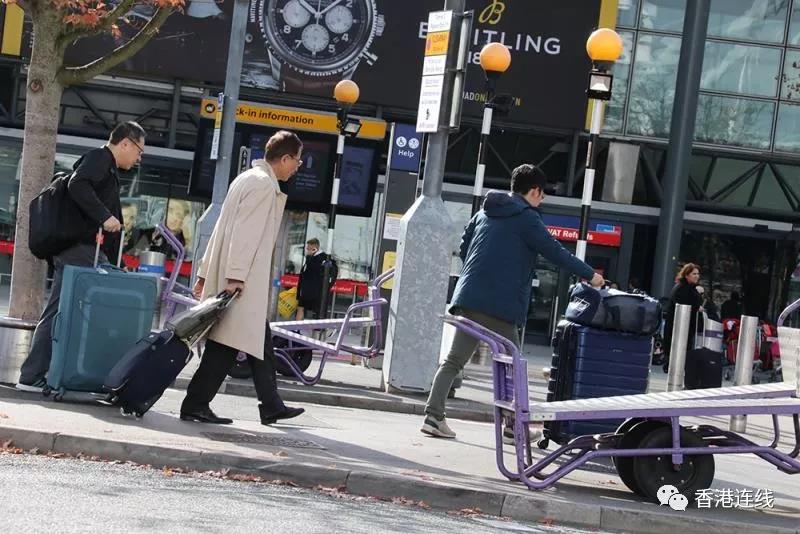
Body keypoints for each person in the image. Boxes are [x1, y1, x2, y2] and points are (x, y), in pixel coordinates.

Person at [421, 164, 604, 440]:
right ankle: (513, 427)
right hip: (500, 305)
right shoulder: (526, 218)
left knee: (454, 360)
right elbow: (554, 252)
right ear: (534, 191)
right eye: (542, 195)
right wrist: (591, 275)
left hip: (468, 296)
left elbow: (463, 245)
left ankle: (433, 417)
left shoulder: (485, 212)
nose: (541, 201)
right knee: (513, 363)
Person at [180, 130, 305, 425]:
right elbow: (244, 236)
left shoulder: (246, 179)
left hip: (236, 280)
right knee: (224, 348)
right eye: (297, 161)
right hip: (241, 283)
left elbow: (222, 230)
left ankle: (271, 405)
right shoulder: (263, 186)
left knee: (257, 342)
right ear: (284, 158)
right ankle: (195, 404)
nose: (297, 166)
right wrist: (236, 276)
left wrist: (202, 272)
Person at [16, 121, 145, 391]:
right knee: (63, 312)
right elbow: (78, 184)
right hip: (79, 251)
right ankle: (35, 375)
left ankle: (48, 373)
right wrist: (105, 216)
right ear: (126, 143)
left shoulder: (106, 166)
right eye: (139, 151)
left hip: (83, 251)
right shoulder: (100, 158)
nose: (139, 157)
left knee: (63, 311)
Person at [662, 263, 704, 373]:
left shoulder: (688, 288)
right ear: (687, 275)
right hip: (679, 328)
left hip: (684, 329)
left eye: (698, 274)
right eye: (694, 274)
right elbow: (689, 304)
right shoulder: (682, 288)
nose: (697, 276)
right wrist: (698, 296)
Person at [295, 238, 337, 321]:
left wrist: (327, 287)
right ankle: (296, 329)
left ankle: (319, 330)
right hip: (306, 290)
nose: (307, 250)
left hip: (316, 291)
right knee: (300, 308)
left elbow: (315, 269)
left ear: (314, 248)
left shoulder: (322, 258)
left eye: (308, 248)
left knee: (318, 311)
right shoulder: (311, 258)